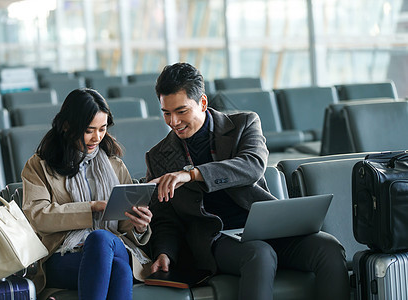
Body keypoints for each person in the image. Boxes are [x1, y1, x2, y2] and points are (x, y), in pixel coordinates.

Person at [145, 62, 350, 300]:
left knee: (329, 248)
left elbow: (251, 166)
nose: (173, 121)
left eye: (181, 111)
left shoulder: (244, 124)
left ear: (202, 103)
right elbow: (165, 218)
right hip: (214, 239)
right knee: (259, 254)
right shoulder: (158, 156)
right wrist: (164, 252)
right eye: (166, 113)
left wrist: (191, 174)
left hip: (266, 226)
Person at [21, 88, 153, 300]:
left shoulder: (114, 165)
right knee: (119, 270)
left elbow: (124, 224)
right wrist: (92, 207)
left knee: (101, 238)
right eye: (90, 130)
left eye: (102, 129)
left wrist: (139, 225)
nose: (97, 137)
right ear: (67, 126)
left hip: (113, 245)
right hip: (64, 254)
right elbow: (37, 216)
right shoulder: (39, 166)